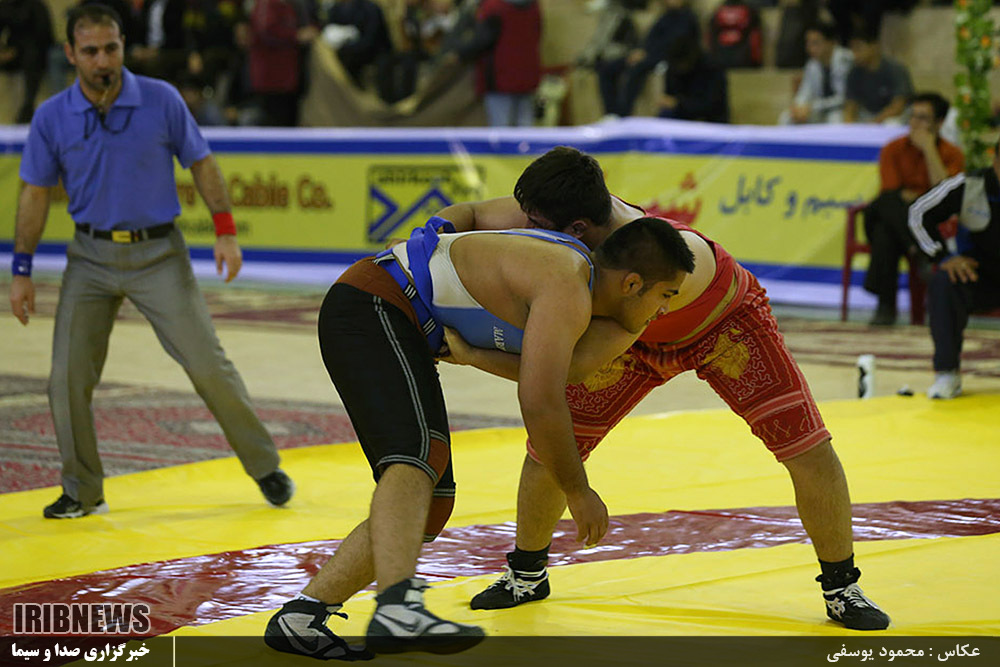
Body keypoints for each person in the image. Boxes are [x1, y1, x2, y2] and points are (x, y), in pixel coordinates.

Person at [436, 146, 891, 631]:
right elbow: (468, 214)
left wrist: (472, 355)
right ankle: (527, 575)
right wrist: (424, 243)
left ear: (578, 230)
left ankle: (842, 587)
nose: (526, 231)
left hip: (720, 323)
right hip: (630, 326)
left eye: (535, 226)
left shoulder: (644, 266)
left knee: (806, 445)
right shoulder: (564, 209)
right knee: (551, 447)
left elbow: (570, 370)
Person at [262, 214, 695, 657]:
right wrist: (577, 490)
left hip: (393, 317)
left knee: (432, 500)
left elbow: (558, 376)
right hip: (373, 304)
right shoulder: (567, 283)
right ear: (631, 283)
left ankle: (303, 616)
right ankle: (397, 607)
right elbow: (541, 404)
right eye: (666, 295)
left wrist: (472, 354)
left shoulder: (590, 299)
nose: (664, 310)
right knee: (415, 458)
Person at [8, 3, 294, 519]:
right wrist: (22, 269)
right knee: (65, 378)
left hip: (160, 254)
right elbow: (34, 193)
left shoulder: (160, 99)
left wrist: (226, 232)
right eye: (90, 51)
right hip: (89, 257)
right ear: (70, 53)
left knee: (208, 365)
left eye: (111, 48)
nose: (103, 60)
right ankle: (82, 491)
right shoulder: (51, 116)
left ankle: (265, 466)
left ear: (123, 45)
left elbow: (201, 163)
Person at [908, 140, 1000, 399]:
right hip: (979, 276)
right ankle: (947, 373)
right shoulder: (968, 185)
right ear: (996, 162)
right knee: (945, 283)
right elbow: (917, 213)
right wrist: (942, 256)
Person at [863, 92, 964, 326]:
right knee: (884, 204)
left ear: (939, 123)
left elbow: (944, 195)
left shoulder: (952, 154)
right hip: (899, 214)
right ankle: (920, 250)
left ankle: (885, 308)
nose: (915, 123)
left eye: (923, 118)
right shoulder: (893, 148)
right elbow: (892, 192)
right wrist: (920, 197)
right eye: (912, 116)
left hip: (928, 221)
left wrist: (929, 150)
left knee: (885, 233)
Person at [597, 0, 699, 119]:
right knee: (607, 69)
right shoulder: (666, 16)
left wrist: (647, 53)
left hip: (665, 56)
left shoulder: (687, 18)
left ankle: (622, 115)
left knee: (636, 70)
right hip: (647, 53)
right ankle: (611, 114)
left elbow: (676, 43)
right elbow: (650, 36)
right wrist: (639, 50)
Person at [451, 0, 541, 127]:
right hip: (527, 76)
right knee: (525, 127)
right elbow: (537, 34)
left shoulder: (494, 7)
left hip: (499, 79)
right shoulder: (533, 6)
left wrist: (460, 54)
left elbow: (481, 41)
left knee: (501, 128)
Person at [780, 20, 853, 125]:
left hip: (843, 109)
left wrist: (812, 107)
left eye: (815, 43)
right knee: (787, 118)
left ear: (831, 42)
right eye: (808, 43)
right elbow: (805, 91)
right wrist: (799, 108)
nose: (809, 48)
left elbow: (843, 98)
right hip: (819, 109)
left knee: (835, 120)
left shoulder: (846, 59)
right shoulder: (812, 64)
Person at [843, 25, 912, 124]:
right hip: (868, 115)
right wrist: (848, 125)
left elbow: (898, 106)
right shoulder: (854, 72)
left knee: (892, 123)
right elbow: (850, 105)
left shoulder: (895, 69)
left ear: (874, 46)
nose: (855, 54)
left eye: (858, 48)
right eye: (852, 49)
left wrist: (874, 123)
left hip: (893, 115)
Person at [657, 35, 729, 123]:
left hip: (710, 118)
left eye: (682, 64)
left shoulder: (712, 68)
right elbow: (669, 96)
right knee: (665, 115)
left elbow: (711, 104)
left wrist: (678, 104)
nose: (680, 68)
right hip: (682, 115)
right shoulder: (673, 67)